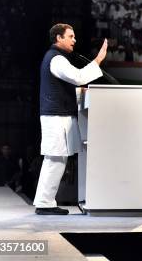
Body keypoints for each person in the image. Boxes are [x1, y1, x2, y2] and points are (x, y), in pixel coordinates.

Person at [34, 24, 107, 215]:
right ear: (59, 38)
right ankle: (44, 203)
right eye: (71, 36)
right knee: (55, 159)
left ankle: (44, 201)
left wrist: (78, 91)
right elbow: (78, 76)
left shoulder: (56, 58)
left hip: (57, 115)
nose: (74, 40)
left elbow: (67, 83)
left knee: (56, 159)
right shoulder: (56, 59)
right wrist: (98, 60)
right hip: (56, 116)